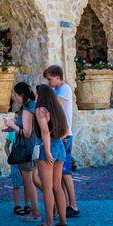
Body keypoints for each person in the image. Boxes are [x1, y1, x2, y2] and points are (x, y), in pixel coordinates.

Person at [44, 64, 79, 218]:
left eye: (50, 79)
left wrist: (46, 94)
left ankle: (73, 205)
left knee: (65, 173)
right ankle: (63, 204)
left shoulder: (64, 89)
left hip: (64, 135)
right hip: (59, 135)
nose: (49, 82)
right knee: (61, 174)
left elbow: (56, 105)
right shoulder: (56, 89)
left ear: (58, 77)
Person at [33, 83, 70, 226]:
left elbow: (44, 131)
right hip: (59, 146)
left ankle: (48, 222)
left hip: (46, 148)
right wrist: (57, 142)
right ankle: (63, 221)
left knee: (47, 188)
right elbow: (67, 131)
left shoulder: (41, 110)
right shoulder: (58, 110)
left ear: (41, 96)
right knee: (58, 187)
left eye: (37, 94)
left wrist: (47, 151)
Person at [2, 82, 40, 222]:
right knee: (33, 181)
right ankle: (52, 205)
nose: (15, 98)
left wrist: (12, 125)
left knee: (29, 182)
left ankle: (36, 213)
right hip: (31, 148)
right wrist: (12, 128)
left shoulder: (28, 110)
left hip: (26, 149)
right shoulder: (31, 106)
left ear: (22, 95)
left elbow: (27, 133)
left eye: (17, 95)